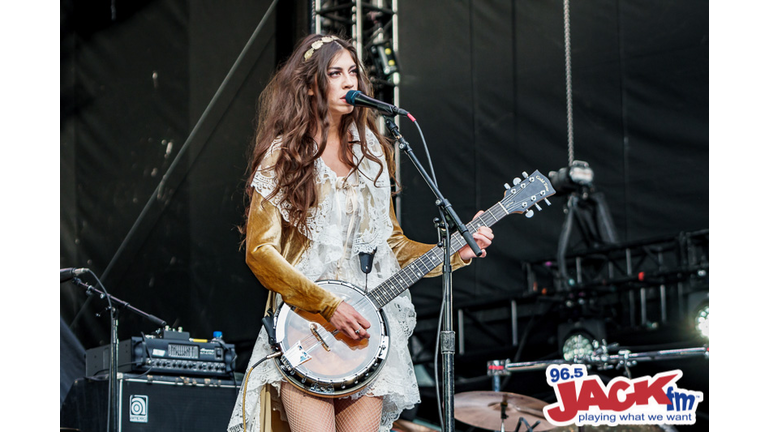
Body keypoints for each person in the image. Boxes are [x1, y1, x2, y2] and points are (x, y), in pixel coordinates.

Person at [226, 33, 494, 432]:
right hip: (308, 326)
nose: (349, 81)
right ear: (310, 85)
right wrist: (326, 305)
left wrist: (454, 252)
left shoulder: (372, 153)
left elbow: (392, 244)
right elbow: (260, 252)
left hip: (366, 331)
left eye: (353, 72)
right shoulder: (284, 155)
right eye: (335, 73)